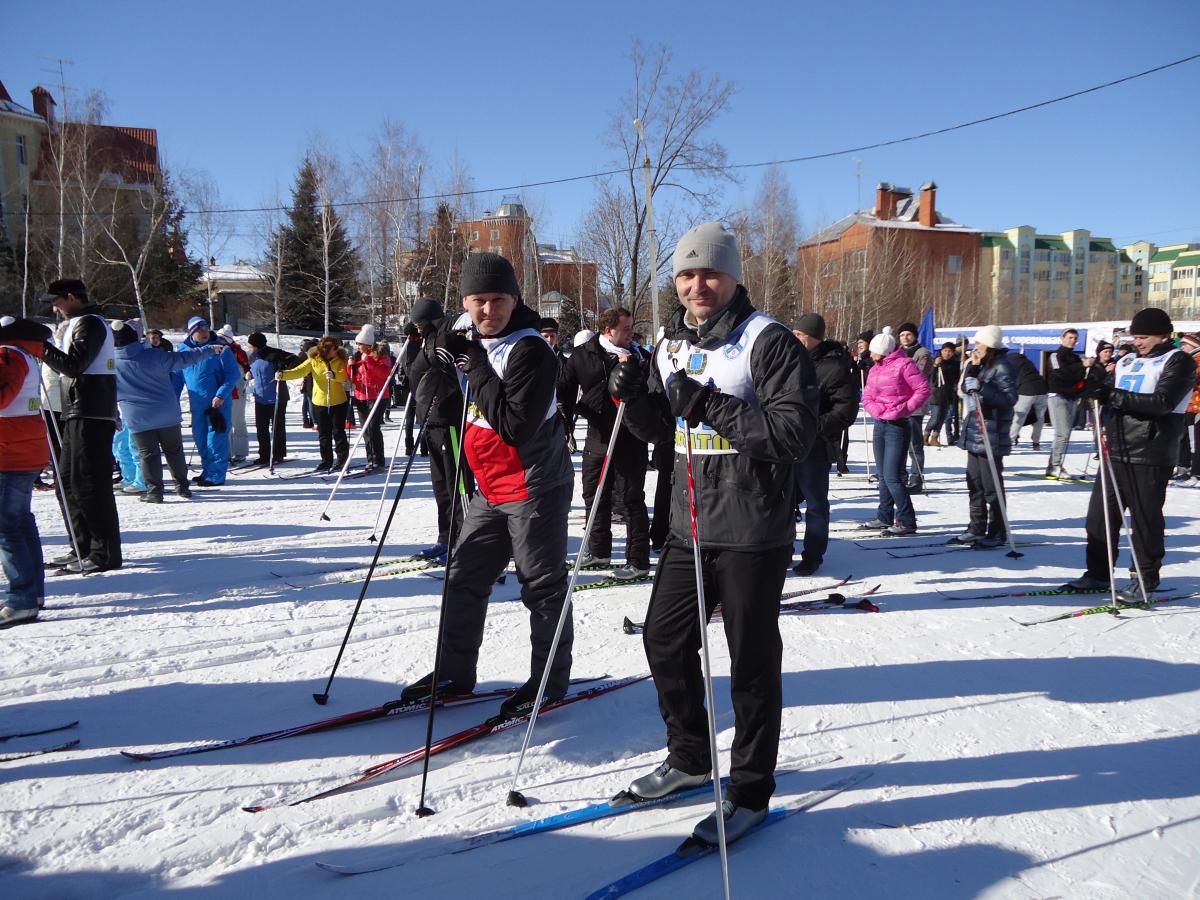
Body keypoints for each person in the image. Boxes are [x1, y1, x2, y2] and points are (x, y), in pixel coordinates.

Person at [608, 222, 818, 845]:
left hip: (752, 527)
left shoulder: (768, 342)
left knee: (750, 664)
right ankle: (692, 757)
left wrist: (708, 405)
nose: (698, 285)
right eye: (687, 274)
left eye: (710, 274)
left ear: (733, 277)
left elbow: (793, 437)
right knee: (665, 642)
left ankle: (750, 790)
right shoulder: (670, 340)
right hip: (686, 520)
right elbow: (661, 429)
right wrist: (633, 399)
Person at [399, 252, 575, 718]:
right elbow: (436, 353)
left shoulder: (530, 349)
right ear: (465, 301)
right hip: (490, 486)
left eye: (498, 300)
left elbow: (513, 424)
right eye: (478, 300)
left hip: (534, 483)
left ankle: (549, 682)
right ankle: (454, 671)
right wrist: (437, 354)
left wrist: (472, 362)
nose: (488, 311)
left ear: (515, 299)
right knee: (463, 576)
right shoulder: (467, 334)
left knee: (540, 585)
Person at [1062, 308, 1194, 598]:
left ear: (1164, 335)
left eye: (1145, 337)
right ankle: (1097, 573)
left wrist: (1112, 396)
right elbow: (1106, 390)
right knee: (1099, 517)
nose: (1139, 342)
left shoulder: (1178, 361)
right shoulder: (1128, 360)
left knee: (1145, 519)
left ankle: (1144, 578)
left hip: (1150, 450)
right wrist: (1091, 390)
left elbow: (1162, 401)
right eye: (1136, 336)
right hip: (1116, 449)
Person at [557, 306, 651, 580]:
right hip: (598, 435)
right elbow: (563, 389)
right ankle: (598, 550)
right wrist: (566, 420)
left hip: (630, 436)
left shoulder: (640, 356)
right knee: (594, 495)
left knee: (630, 499)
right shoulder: (583, 354)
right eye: (625, 329)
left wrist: (631, 370)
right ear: (608, 330)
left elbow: (652, 394)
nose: (631, 333)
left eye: (631, 328)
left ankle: (638, 560)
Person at [39, 279, 123, 574]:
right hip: (75, 410)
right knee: (67, 483)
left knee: (90, 484)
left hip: (92, 410)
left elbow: (74, 365)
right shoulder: (76, 324)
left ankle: (104, 553)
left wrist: (41, 348)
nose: (55, 307)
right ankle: (82, 546)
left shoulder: (91, 323)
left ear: (72, 297)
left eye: (57, 301)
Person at [113, 319, 222, 502]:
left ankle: (155, 492)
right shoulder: (155, 355)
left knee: (148, 455)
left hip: (137, 417)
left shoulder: (111, 365)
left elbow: (108, 392)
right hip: (166, 413)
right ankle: (183, 488)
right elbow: (184, 359)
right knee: (174, 451)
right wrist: (209, 350)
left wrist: (114, 416)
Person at [404, 297, 476, 561]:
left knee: (458, 485)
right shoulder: (425, 341)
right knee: (441, 486)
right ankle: (445, 538)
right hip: (431, 421)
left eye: (421, 324)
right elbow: (412, 373)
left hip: (451, 421)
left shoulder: (449, 335)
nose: (419, 329)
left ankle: (465, 541)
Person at [791, 313, 859, 575]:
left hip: (815, 446)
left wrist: (814, 427)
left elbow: (845, 410)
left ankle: (813, 555)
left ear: (813, 338)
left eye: (799, 335)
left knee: (815, 504)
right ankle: (782, 548)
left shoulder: (835, 366)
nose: (794, 338)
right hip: (787, 441)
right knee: (783, 501)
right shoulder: (791, 359)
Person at [0, 317, 54, 627]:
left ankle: (21, 597)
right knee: (19, 522)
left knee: (8, 526)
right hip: (24, 446)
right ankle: (31, 594)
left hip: (10, 450)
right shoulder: (27, 355)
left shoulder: (8, 355)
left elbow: (3, 397)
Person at [860, 330, 931, 536]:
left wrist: (904, 408)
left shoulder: (905, 364)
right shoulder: (875, 368)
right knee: (882, 475)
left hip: (897, 425)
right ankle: (884, 516)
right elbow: (868, 395)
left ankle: (907, 520)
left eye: (873, 351)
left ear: (882, 351)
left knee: (892, 476)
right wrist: (874, 409)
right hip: (880, 424)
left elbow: (923, 389)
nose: (871, 355)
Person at [952, 326, 1018, 547]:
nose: (974, 347)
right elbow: (965, 388)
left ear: (989, 345)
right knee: (974, 483)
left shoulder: (1002, 366)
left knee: (991, 486)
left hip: (991, 434)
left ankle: (997, 529)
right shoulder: (978, 364)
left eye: (979, 343)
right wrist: (973, 370)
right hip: (975, 431)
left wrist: (982, 387)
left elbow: (1009, 398)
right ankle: (976, 526)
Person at [179, 317, 241, 487]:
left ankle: (216, 475)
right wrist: (173, 399)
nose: (205, 333)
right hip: (197, 403)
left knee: (216, 438)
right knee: (200, 438)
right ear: (192, 332)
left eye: (206, 329)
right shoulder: (183, 350)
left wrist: (221, 395)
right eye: (200, 330)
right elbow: (177, 377)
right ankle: (208, 470)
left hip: (217, 404)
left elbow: (233, 374)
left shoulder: (221, 349)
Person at [278, 337, 351, 473]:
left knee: (338, 432)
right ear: (327, 350)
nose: (336, 351)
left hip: (338, 400)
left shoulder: (340, 359)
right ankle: (326, 461)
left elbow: (344, 375)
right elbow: (299, 371)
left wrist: (334, 375)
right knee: (323, 433)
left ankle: (342, 460)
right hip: (320, 401)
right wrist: (283, 375)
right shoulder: (313, 360)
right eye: (334, 349)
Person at [245, 332, 297, 465]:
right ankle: (264, 454)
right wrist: (248, 373)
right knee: (261, 428)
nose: (249, 347)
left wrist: (283, 373)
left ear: (257, 345)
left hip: (277, 397)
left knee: (277, 428)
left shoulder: (274, 354)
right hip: (260, 397)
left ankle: (278, 454)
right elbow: (250, 369)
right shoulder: (252, 357)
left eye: (251, 345)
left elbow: (295, 360)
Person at [348, 323, 393, 473]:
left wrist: (369, 361)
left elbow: (383, 374)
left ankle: (378, 461)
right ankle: (371, 459)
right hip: (361, 396)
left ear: (367, 344)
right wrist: (350, 366)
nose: (358, 346)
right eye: (357, 343)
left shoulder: (380, 356)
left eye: (360, 344)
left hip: (378, 395)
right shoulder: (358, 356)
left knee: (373, 427)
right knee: (366, 430)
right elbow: (353, 378)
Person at [896, 322, 933, 492]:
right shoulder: (898, 353)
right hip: (899, 404)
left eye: (908, 334)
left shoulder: (922, 353)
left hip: (915, 405)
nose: (905, 337)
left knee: (914, 443)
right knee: (899, 442)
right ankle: (900, 475)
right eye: (902, 335)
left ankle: (916, 476)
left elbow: (917, 377)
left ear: (914, 336)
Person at [1044, 327, 1085, 479]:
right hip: (1057, 396)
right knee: (1062, 433)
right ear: (1062, 338)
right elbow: (1060, 373)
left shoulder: (1075, 358)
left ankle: (1054, 464)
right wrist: (1079, 368)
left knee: (1065, 433)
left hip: (1072, 397)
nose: (1072, 341)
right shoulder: (1055, 355)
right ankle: (1055, 465)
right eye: (1070, 338)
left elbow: (1079, 377)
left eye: (1075, 338)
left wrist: (1078, 374)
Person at [216, 325, 251, 463]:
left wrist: (247, 373)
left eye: (222, 338)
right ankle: (227, 452)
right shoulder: (215, 352)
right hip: (222, 392)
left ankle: (240, 452)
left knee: (238, 421)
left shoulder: (238, 352)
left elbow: (246, 368)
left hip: (237, 392)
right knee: (225, 423)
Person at [1173, 333, 1200, 486]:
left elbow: (1192, 377)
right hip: (1188, 406)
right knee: (1186, 439)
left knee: (1194, 442)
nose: (1181, 347)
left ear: (1194, 345)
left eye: (1185, 344)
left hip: (1196, 406)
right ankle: (1185, 467)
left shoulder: (1196, 359)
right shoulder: (1190, 359)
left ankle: (1196, 472)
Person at [1008, 349, 1049, 450]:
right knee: (1040, 417)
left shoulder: (1009, 362)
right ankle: (1036, 442)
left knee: (1019, 417)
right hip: (1042, 389)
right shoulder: (1028, 362)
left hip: (1026, 390)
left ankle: (1009, 442)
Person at [926, 342, 963, 447]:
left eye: (950, 351)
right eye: (945, 350)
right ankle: (925, 435)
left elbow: (957, 378)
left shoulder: (955, 363)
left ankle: (934, 438)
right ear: (941, 351)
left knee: (942, 418)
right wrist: (935, 366)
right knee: (935, 418)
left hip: (948, 395)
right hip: (936, 395)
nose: (947, 353)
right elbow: (931, 379)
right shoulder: (936, 362)